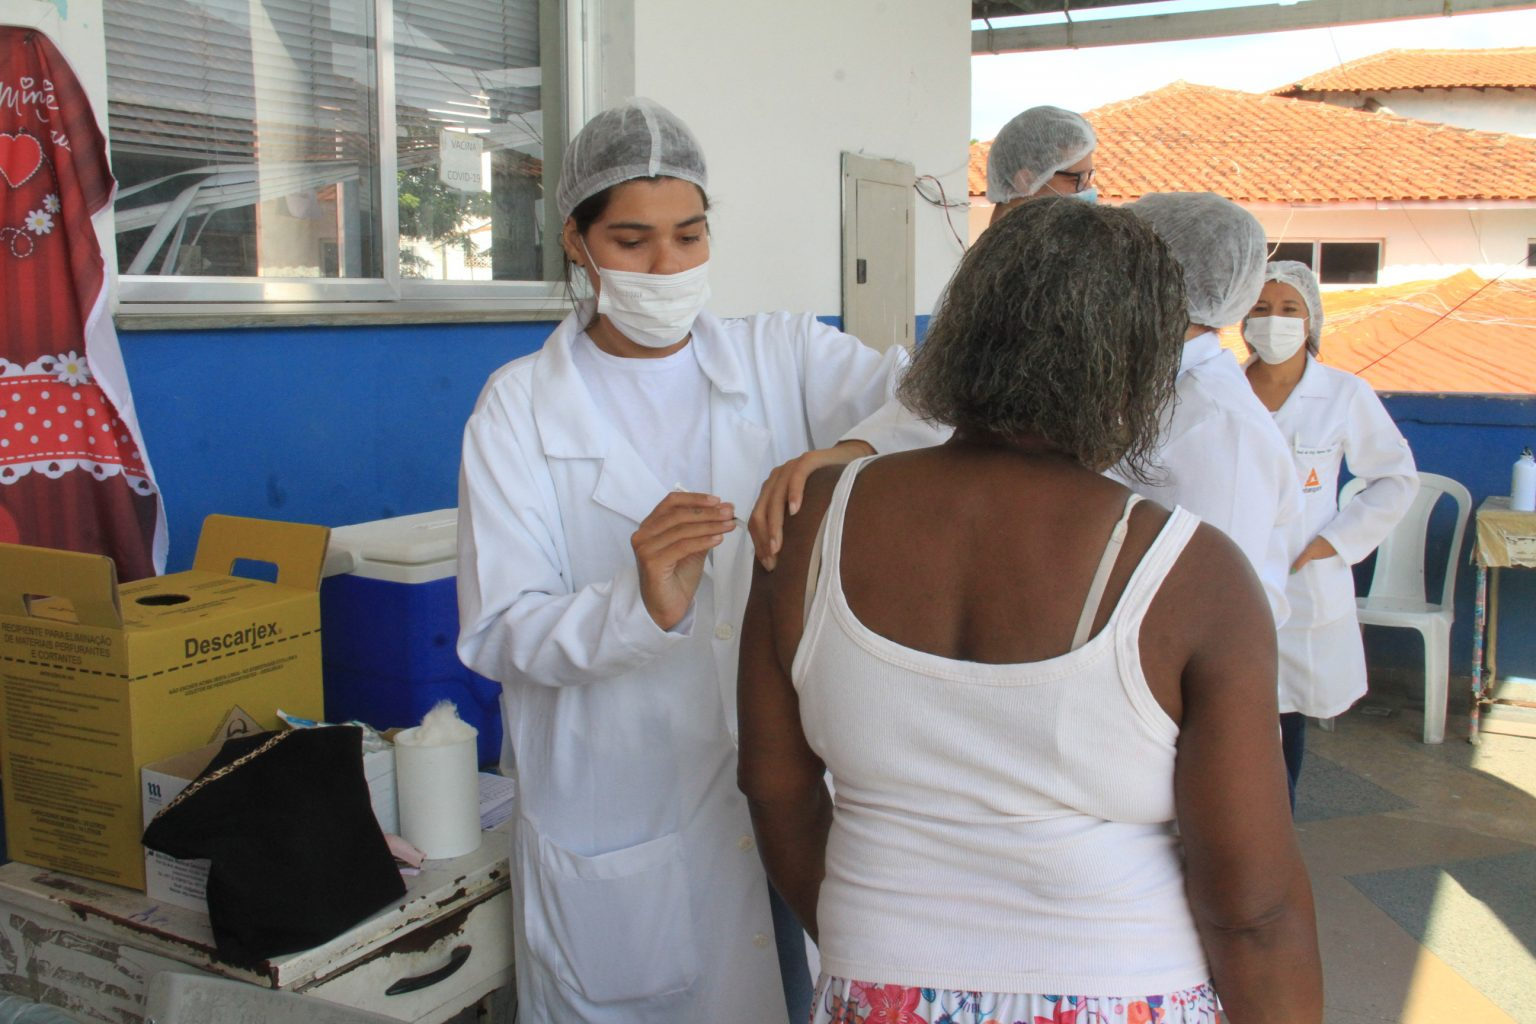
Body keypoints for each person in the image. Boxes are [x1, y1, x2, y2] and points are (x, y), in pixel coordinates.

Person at [738, 197, 1322, 1024]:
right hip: (1125, 988)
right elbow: (1254, 912)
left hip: (878, 986)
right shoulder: (1193, 577)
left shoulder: (807, 528)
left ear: (963, 330)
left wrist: (876, 952)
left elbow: (774, 788)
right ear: (1141, 369)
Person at [455, 97, 944, 1024]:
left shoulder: (780, 356)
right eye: (633, 241)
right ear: (576, 239)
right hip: (623, 817)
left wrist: (847, 452)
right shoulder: (517, 409)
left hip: (785, 792)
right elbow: (499, 631)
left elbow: (941, 402)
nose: (667, 266)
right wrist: (638, 607)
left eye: (689, 235)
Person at [1243, 260, 1417, 794]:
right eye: (1261, 308)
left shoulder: (1344, 394)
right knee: (1224, 713)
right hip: (1226, 574)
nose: (1275, 321)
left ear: (1312, 320)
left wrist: (1332, 542)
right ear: (1241, 318)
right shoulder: (1217, 387)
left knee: (1286, 718)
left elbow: (1394, 478)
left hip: (1302, 586)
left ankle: (1278, 837)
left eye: (1289, 309)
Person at [1112, 192, 1301, 629]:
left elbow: (1215, 607)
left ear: (1161, 283)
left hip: (1163, 678)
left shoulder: (1220, 425)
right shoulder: (1149, 389)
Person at [985, 105, 1097, 224]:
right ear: (1026, 181)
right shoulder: (1023, 241)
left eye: (1088, 176)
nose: (1088, 188)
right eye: (1077, 178)